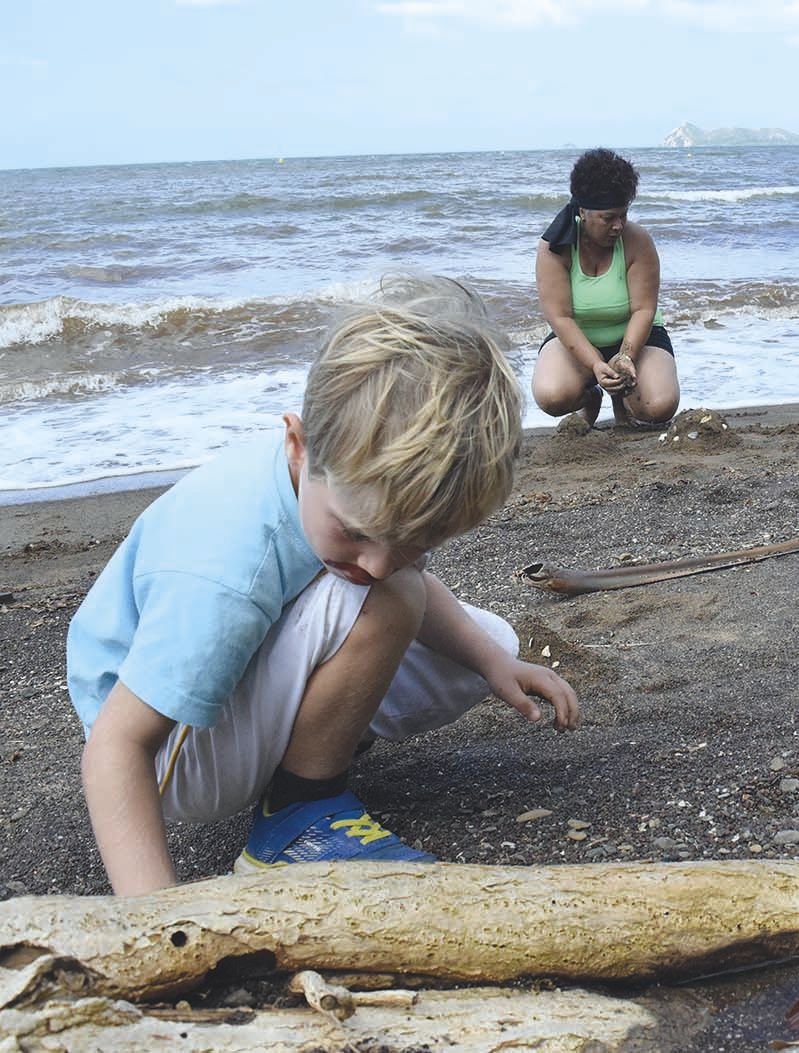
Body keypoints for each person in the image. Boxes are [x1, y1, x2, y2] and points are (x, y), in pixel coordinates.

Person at [66, 277, 580, 896]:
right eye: (358, 532)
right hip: (168, 758)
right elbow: (116, 747)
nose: (381, 561)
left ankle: (308, 753)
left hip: (216, 704)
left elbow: (391, 569)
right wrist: (155, 922)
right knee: (394, 601)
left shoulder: (336, 484)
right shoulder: (225, 569)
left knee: (478, 641)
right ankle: (296, 818)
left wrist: (497, 663)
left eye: (414, 543)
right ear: (299, 443)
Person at [532, 148, 680, 426]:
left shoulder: (638, 240)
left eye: (623, 215)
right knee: (552, 395)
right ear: (583, 212)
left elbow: (644, 309)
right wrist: (596, 365)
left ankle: (623, 401)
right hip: (578, 340)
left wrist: (625, 357)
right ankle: (591, 395)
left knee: (659, 406)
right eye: (608, 218)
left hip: (638, 337)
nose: (618, 226)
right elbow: (559, 317)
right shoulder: (554, 247)